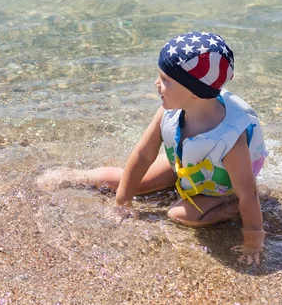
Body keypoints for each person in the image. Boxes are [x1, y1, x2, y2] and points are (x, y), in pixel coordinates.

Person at [40, 31, 268, 264]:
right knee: (131, 182)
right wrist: (122, 203)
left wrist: (253, 240)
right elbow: (142, 154)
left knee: (178, 215)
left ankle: (229, 207)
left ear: (194, 93)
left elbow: (247, 193)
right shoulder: (170, 111)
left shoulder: (229, 139)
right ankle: (82, 176)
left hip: (218, 183)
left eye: (166, 80)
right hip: (186, 164)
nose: (156, 84)